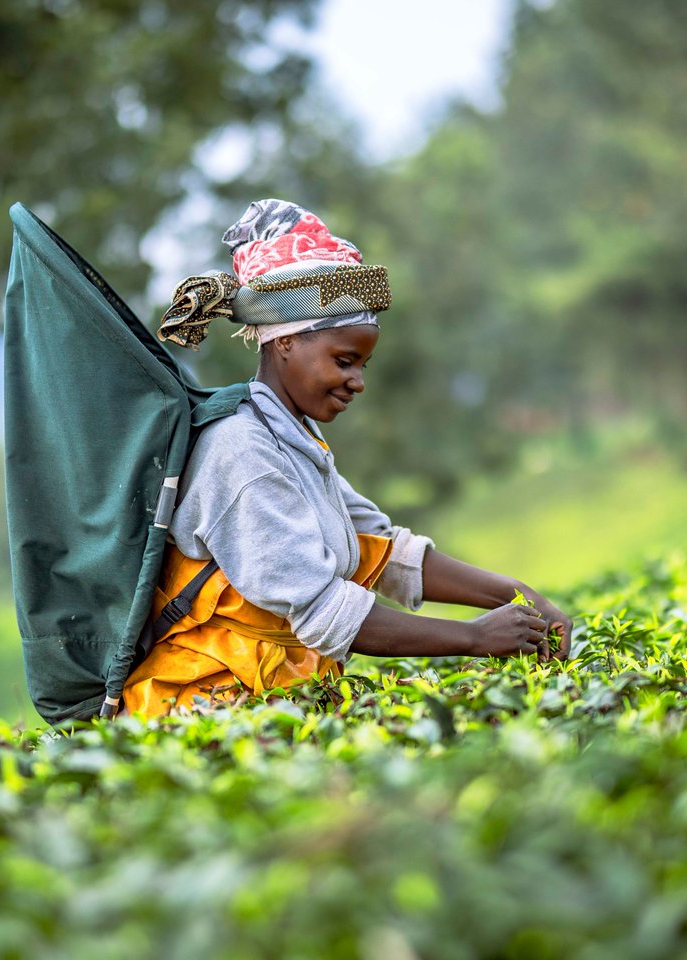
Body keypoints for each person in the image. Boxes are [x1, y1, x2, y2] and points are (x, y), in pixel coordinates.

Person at [123, 199, 572, 716]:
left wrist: (516, 594)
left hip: (272, 697)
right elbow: (322, 610)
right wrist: (473, 638)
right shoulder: (243, 452)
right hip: (199, 707)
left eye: (363, 363)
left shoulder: (289, 435)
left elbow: (381, 551)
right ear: (286, 340)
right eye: (344, 361)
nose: (358, 381)